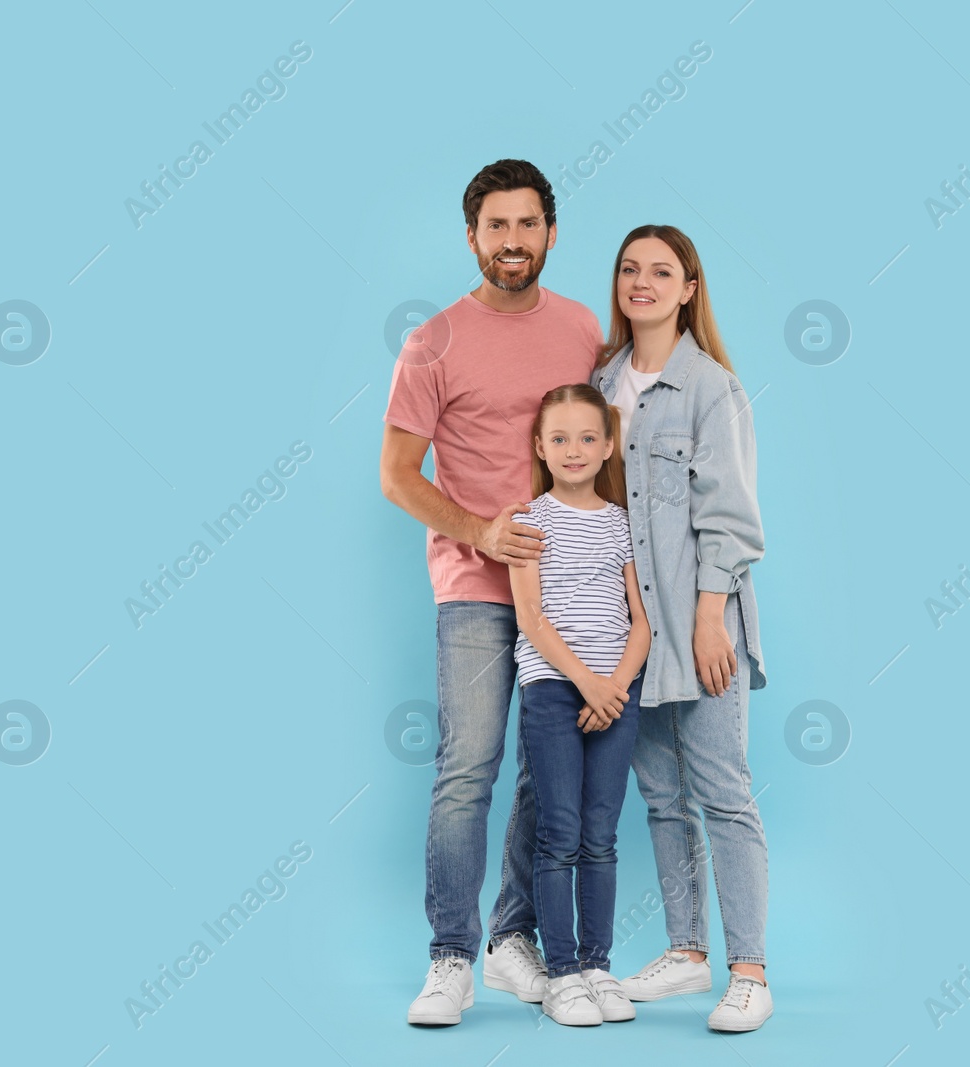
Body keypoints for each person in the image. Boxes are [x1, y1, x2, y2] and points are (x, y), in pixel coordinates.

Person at [380, 160, 603, 1026]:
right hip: (475, 584)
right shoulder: (433, 341)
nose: (513, 242)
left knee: (549, 773)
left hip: (574, 586)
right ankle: (449, 957)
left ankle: (514, 938)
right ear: (472, 236)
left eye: (527, 224)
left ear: (551, 231)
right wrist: (479, 531)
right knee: (467, 766)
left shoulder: (584, 328)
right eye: (496, 227)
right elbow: (398, 476)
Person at [590, 225, 774, 1032]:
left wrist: (709, 618)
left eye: (661, 271)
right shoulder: (600, 384)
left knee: (724, 792)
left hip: (699, 622)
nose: (643, 282)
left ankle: (751, 971)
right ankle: (688, 952)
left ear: (689, 287)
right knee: (661, 795)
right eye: (630, 269)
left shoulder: (710, 388)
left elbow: (729, 517)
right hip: (635, 634)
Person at [508, 384, 651, 1026]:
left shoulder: (624, 523)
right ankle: (561, 973)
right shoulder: (527, 521)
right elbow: (532, 619)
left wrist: (614, 687)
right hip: (553, 689)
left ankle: (597, 966)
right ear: (540, 447)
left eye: (588, 437)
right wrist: (586, 685)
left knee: (600, 835)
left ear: (609, 445)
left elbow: (641, 622)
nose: (574, 449)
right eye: (559, 438)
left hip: (618, 692)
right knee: (558, 832)